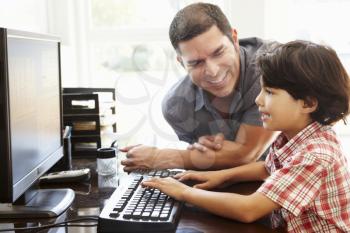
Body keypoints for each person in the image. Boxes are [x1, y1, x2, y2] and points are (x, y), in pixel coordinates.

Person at [142, 40, 350, 232]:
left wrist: (183, 192)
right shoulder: (297, 135)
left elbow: (248, 209)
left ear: (308, 103)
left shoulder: (316, 156)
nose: (258, 100)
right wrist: (221, 176)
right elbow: (269, 167)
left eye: (269, 92)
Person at [121, 3, 275, 171]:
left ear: (235, 39)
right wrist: (203, 156)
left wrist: (162, 157)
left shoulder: (273, 67)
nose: (213, 71)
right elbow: (208, 163)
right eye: (196, 62)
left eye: (218, 53)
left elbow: (246, 154)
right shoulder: (177, 107)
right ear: (181, 63)